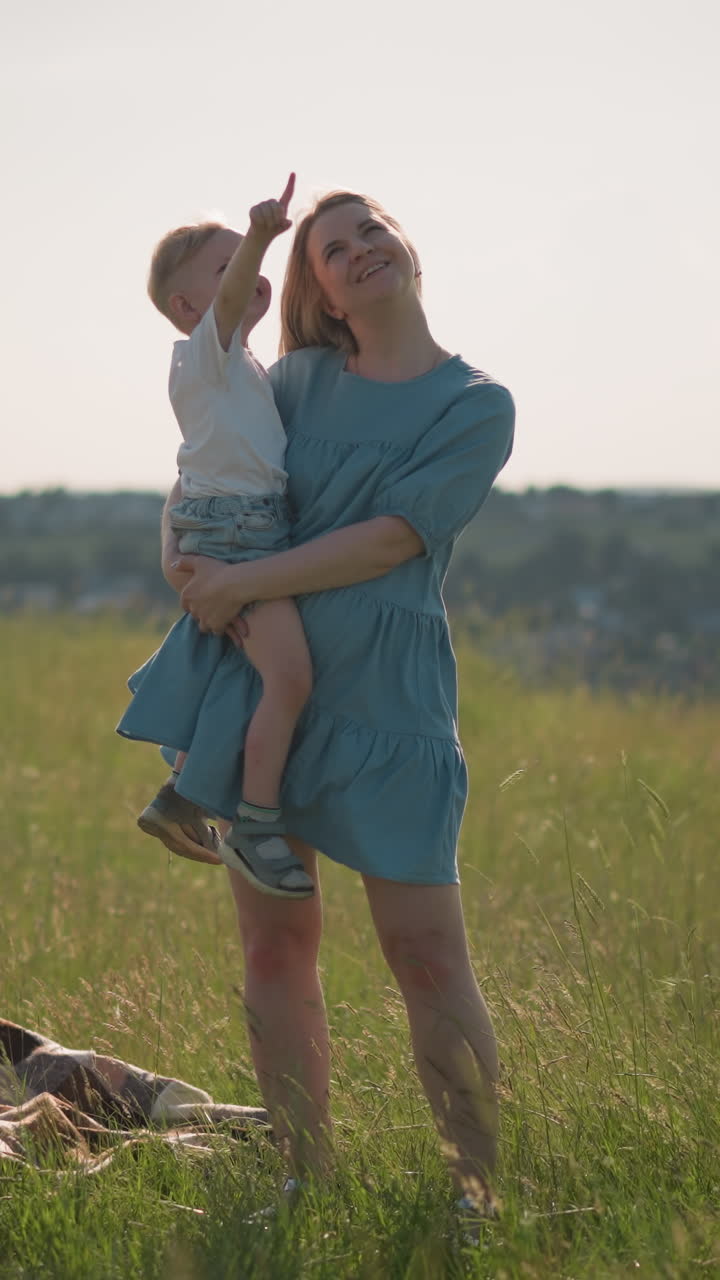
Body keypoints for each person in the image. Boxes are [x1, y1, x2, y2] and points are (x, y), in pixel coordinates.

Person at [118, 188, 515, 1220]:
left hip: (389, 703)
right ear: (321, 289)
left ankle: (476, 1184)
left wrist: (240, 583)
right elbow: (202, 459)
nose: (359, 249)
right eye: (335, 247)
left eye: (372, 229)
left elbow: (391, 537)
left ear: (407, 247)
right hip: (262, 703)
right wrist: (181, 557)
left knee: (427, 953)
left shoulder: (476, 403)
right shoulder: (290, 381)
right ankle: (303, 1179)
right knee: (273, 949)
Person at [129, 176, 315, 899]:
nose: (251, 274)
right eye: (228, 266)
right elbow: (234, 302)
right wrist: (265, 232)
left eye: (251, 259)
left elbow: (200, 461)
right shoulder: (204, 355)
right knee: (290, 678)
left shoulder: (239, 371)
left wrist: (180, 521)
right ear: (188, 307)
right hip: (242, 540)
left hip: (235, 529)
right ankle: (257, 826)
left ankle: (180, 796)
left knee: (235, 678)